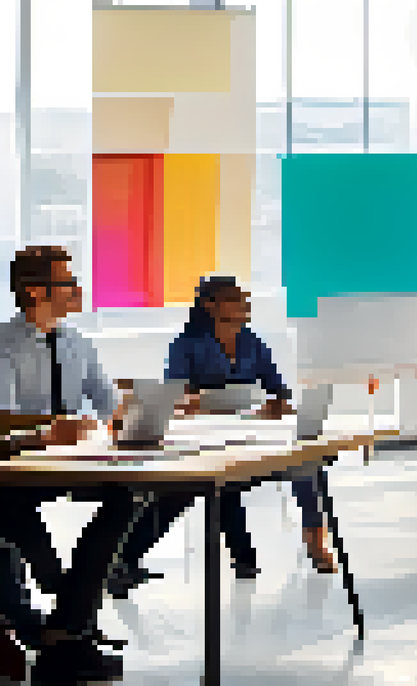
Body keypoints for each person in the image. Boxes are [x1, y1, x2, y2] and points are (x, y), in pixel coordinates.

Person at [109, 276, 337, 597]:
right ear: (211, 305)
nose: (245, 303)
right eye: (235, 298)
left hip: (253, 434)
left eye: (244, 298)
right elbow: (175, 395)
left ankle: (315, 538)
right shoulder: (186, 345)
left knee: (307, 461)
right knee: (209, 485)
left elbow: (279, 391)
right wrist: (203, 403)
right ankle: (129, 558)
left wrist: (276, 404)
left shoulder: (253, 343)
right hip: (204, 437)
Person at [0, 245, 140, 680]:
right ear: (37, 292)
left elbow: (107, 402)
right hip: (18, 469)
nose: (77, 290)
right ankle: (69, 619)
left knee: (127, 496)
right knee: (10, 507)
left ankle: (63, 622)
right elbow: (2, 422)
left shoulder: (78, 342)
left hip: (76, 462)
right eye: (68, 283)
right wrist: (44, 434)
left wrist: (137, 415)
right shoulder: (4, 346)